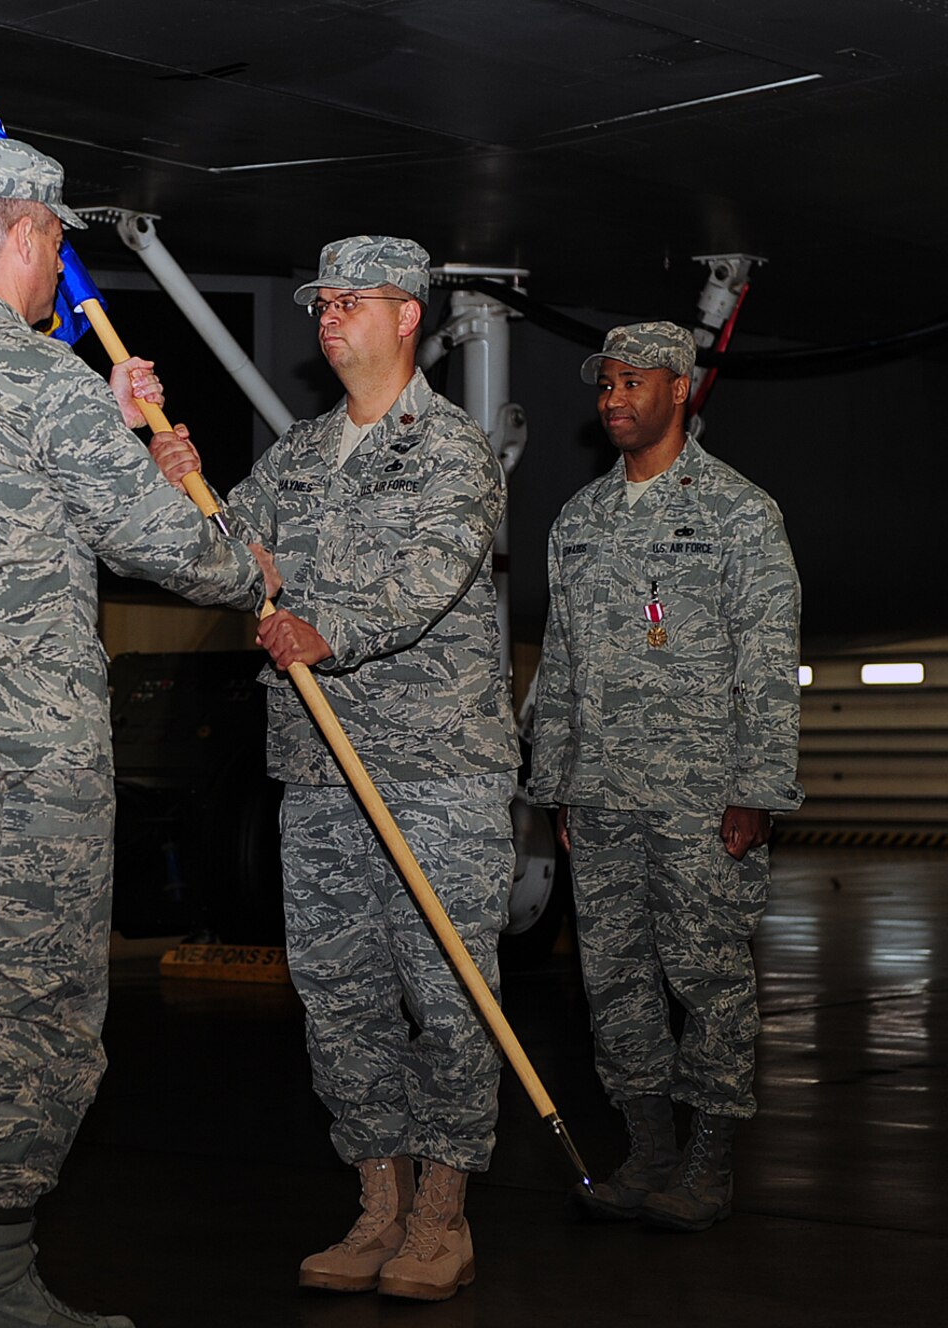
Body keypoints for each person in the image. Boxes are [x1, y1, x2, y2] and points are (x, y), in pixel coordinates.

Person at [0, 135, 264, 1328]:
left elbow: (3, 494)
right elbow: (159, 542)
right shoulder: (43, 380)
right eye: (55, 243)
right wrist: (249, 566)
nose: (56, 267)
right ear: (30, 236)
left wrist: (108, 421)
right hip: (29, 752)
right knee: (32, 1000)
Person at [151, 235, 517, 1303]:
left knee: (447, 993)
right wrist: (178, 492)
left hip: (435, 768)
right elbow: (231, 561)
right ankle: (378, 1204)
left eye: (352, 300)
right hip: (318, 770)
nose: (327, 315)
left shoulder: (453, 450)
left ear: (407, 315)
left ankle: (442, 1214)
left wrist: (330, 631)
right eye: (321, 301)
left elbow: (433, 573)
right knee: (340, 996)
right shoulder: (300, 454)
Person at [528, 320, 803, 1232]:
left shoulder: (738, 512)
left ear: (679, 390)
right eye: (605, 383)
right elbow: (560, 662)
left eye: (632, 382)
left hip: (700, 797)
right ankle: (647, 1151)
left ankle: (710, 1163)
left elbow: (768, 657)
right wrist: (557, 781)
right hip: (600, 794)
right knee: (613, 981)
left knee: (709, 977)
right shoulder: (580, 519)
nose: (613, 398)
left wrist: (757, 787)